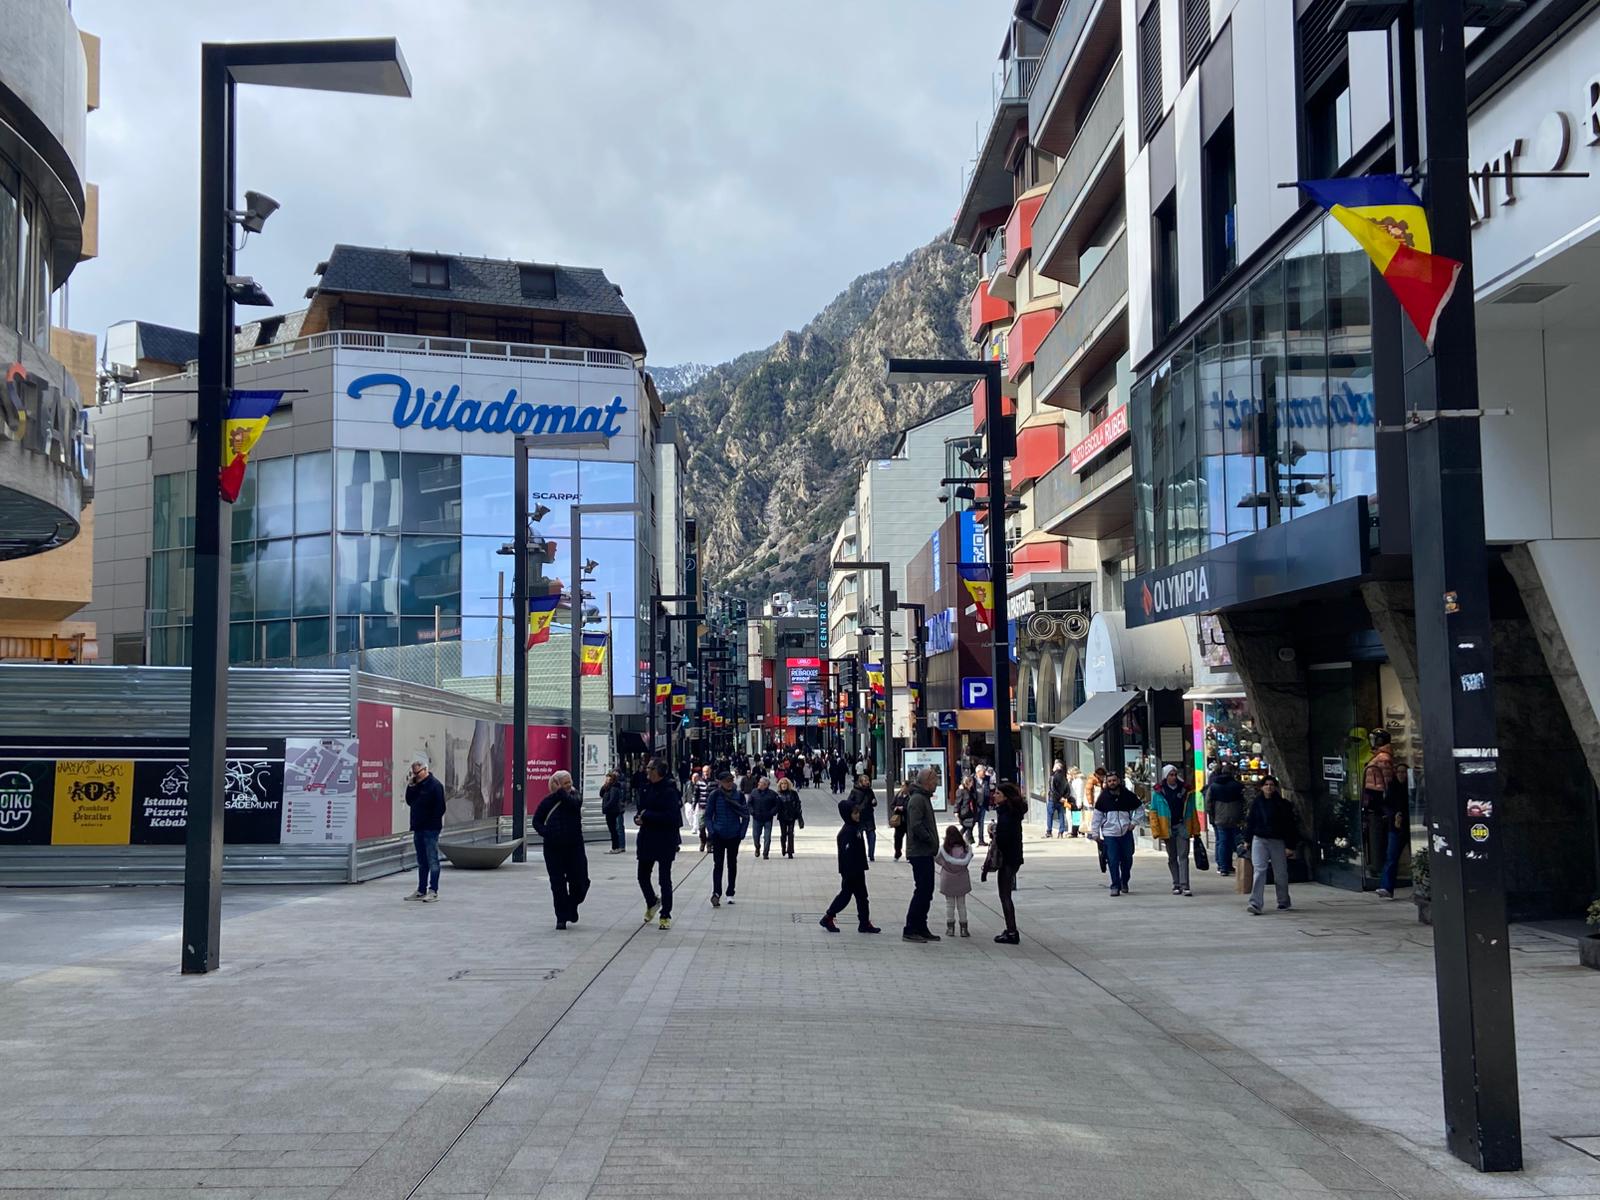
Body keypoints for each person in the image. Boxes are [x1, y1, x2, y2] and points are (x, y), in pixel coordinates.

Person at [532, 770, 589, 930]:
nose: (569, 786)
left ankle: (572, 905)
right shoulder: (547, 802)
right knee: (557, 884)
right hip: (553, 849)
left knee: (581, 882)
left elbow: (573, 804)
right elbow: (536, 821)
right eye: (565, 784)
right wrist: (546, 833)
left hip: (574, 847)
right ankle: (561, 917)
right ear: (556, 784)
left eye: (569, 782)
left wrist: (560, 792)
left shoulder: (575, 797)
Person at [819, 787, 880, 933]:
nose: (858, 815)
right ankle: (828, 917)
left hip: (857, 868)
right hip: (851, 871)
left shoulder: (855, 828)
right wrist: (850, 871)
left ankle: (864, 922)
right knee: (846, 896)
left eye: (858, 813)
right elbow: (846, 854)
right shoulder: (847, 832)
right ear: (848, 815)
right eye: (855, 813)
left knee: (862, 897)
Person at [634, 758, 681, 930]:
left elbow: (672, 817)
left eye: (649, 768)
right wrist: (638, 818)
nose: (646, 771)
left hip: (664, 839)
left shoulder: (669, 791)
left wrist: (647, 816)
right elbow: (641, 810)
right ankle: (652, 901)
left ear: (657, 771)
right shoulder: (645, 787)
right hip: (646, 838)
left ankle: (665, 914)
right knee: (642, 876)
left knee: (664, 879)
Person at [1245, 775, 1298, 915]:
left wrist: (1290, 845)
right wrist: (1247, 840)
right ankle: (1255, 903)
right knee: (1259, 871)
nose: (1269, 787)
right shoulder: (1256, 803)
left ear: (1275, 787)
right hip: (1259, 839)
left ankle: (1283, 901)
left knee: (1280, 873)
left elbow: (1289, 825)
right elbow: (1251, 821)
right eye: (1266, 784)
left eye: (1272, 785)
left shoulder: (1283, 804)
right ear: (1262, 787)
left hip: (1277, 840)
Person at [900, 767, 942, 943]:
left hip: (925, 851)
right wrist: (930, 840)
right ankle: (910, 928)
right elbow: (916, 825)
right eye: (934, 781)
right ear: (926, 781)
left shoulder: (922, 798)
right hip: (919, 851)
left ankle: (921, 926)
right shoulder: (917, 799)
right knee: (922, 890)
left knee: (927, 891)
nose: (937, 784)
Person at [1090, 770, 1140, 897]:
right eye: (1109, 781)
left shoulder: (1128, 796)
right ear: (1107, 782)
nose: (1112, 783)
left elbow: (1140, 809)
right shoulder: (1103, 798)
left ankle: (1124, 881)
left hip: (1125, 833)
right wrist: (1095, 833)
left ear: (1118, 781)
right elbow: (1096, 817)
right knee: (1112, 860)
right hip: (1110, 834)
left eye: (1114, 780)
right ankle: (1115, 886)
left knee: (1127, 859)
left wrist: (1133, 822)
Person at [403, 756, 446, 902]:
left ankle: (433, 890)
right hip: (418, 827)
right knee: (422, 861)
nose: (416, 775)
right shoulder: (416, 785)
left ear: (426, 769)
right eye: (414, 773)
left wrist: (431, 823)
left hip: (431, 829)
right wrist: (410, 786)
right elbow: (409, 801)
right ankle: (421, 890)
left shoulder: (435, 785)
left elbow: (440, 808)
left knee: (432, 859)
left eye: (418, 772)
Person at [990, 781, 1028, 943]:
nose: (994, 795)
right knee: (1005, 894)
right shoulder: (1011, 811)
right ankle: (1010, 929)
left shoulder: (1006, 813)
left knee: (1004, 894)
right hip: (1014, 857)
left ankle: (1012, 931)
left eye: (998, 793)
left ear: (1005, 797)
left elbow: (1004, 838)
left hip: (1008, 859)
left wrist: (994, 833)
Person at [704, 770, 749, 907]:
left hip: (734, 834)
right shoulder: (715, 795)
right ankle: (716, 893)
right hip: (718, 834)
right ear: (720, 783)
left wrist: (741, 832)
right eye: (726, 781)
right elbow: (708, 816)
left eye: (731, 781)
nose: (729, 784)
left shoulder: (739, 795)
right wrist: (712, 831)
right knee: (718, 865)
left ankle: (730, 892)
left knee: (732, 864)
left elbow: (745, 815)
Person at [1154, 764, 1197, 897]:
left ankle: (1185, 885)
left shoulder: (1185, 790)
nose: (1173, 777)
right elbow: (1153, 812)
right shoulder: (1159, 792)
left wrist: (1195, 829)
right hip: (1167, 828)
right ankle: (1176, 884)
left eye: (1174, 774)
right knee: (1172, 856)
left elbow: (1192, 811)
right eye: (1170, 775)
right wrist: (1156, 830)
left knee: (1183, 856)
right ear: (1165, 776)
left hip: (1181, 826)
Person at [1361, 730, 1397, 882]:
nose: (1372, 741)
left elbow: (1387, 781)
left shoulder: (1382, 758)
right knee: (1374, 834)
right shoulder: (1378, 756)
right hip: (1374, 800)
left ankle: (1377, 866)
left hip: (1377, 801)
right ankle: (1376, 864)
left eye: (1374, 739)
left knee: (1377, 834)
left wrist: (1384, 801)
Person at [1205, 762, 1246, 878]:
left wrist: (1212, 815)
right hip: (1235, 817)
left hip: (1220, 817)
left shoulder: (1214, 786)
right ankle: (1237, 864)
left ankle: (1223, 867)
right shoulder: (1237, 786)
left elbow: (1208, 803)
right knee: (1237, 842)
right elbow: (1244, 801)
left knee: (1222, 841)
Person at [1376, 763, 1409, 899]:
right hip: (1395, 827)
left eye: (1404, 772)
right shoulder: (1392, 787)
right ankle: (1387, 887)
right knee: (1391, 857)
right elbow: (1386, 805)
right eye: (1399, 772)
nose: (1401, 775)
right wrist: (1394, 815)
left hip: (1409, 826)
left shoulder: (1411, 788)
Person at [936, 824, 973, 938]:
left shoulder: (944, 849)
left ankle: (950, 928)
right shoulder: (965, 848)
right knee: (962, 904)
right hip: (962, 878)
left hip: (948, 879)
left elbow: (937, 859)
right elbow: (969, 858)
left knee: (949, 904)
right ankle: (964, 929)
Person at [748, 775, 780, 860]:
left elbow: (777, 805)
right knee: (756, 836)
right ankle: (757, 847)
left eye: (761, 783)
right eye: (759, 782)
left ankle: (766, 853)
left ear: (766, 785)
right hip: (757, 818)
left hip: (767, 819)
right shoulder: (754, 792)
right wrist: (752, 811)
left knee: (767, 837)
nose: (759, 784)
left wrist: (772, 813)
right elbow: (749, 803)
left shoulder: (772, 794)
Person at [600, 769, 627, 854]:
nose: (607, 780)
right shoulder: (608, 788)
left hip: (612, 811)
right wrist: (604, 785)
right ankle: (615, 846)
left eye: (608, 778)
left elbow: (612, 800)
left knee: (615, 829)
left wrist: (605, 807)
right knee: (613, 829)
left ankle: (616, 847)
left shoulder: (614, 788)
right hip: (610, 811)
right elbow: (601, 793)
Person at [777, 778, 805, 858]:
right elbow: (775, 805)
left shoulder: (793, 793)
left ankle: (790, 851)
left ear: (788, 785)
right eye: (782, 784)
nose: (784, 785)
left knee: (790, 833)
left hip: (792, 816)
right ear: (780, 785)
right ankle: (783, 847)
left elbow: (798, 803)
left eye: (785, 784)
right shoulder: (778, 794)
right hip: (782, 817)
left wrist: (797, 812)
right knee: (783, 834)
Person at [690, 764, 713, 851]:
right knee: (701, 827)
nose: (706, 773)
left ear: (710, 771)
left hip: (711, 809)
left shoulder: (714, 782)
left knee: (711, 828)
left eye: (707, 771)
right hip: (702, 808)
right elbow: (696, 795)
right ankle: (703, 841)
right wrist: (693, 804)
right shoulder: (699, 783)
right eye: (704, 772)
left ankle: (710, 844)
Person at [888, 778, 911, 861]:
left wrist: (903, 808)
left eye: (904, 786)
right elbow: (892, 805)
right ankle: (897, 853)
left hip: (908, 820)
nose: (902, 787)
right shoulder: (898, 795)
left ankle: (909, 855)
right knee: (897, 838)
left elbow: (911, 807)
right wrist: (895, 808)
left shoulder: (911, 796)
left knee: (910, 840)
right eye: (901, 786)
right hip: (899, 821)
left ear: (908, 787)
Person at [1046, 760, 1069, 839]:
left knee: (1050, 815)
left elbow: (1053, 789)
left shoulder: (1053, 777)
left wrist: (1059, 798)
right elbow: (1067, 790)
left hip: (1053, 799)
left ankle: (1049, 831)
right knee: (1061, 815)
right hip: (1061, 800)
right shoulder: (1064, 778)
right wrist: (1063, 797)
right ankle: (1061, 832)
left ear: (1056, 768)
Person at [954, 774, 979, 845]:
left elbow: (974, 798)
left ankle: (963, 839)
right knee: (968, 826)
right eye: (971, 782)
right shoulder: (961, 791)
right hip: (965, 812)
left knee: (968, 826)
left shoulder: (971, 789)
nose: (972, 783)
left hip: (971, 811)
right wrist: (956, 811)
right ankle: (969, 840)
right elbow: (958, 802)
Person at [974, 764, 993, 845]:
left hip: (983, 804)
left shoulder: (987, 779)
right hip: (974, 804)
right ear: (978, 772)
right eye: (983, 772)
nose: (984, 773)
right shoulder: (972, 779)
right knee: (971, 822)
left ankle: (981, 840)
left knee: (981, 822)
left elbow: (988, 789)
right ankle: (967, 837)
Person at [1066, 765, 1085, 837]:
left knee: (1076, 817)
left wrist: (1079, 803)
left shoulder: (1079, 781)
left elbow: (1079, 793)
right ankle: (1072, 830)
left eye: (1068, 773)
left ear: (1073, 773)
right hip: (1071, 799)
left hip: (1076, 800)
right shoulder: (1072, 781)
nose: (1067, 775)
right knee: (1070, 816)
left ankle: (1075, 832)